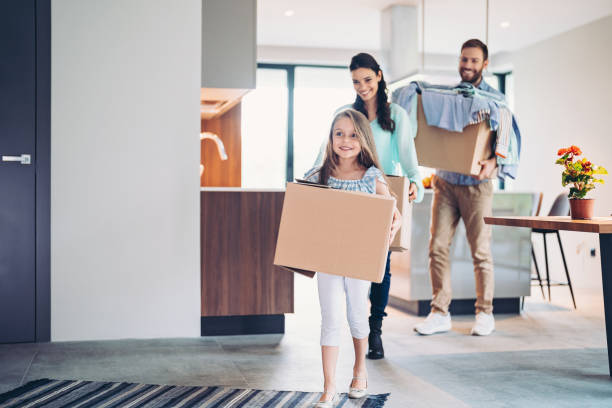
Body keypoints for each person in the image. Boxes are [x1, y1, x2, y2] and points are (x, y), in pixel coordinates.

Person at [315, 53, 423, 360]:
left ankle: (374, 329)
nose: (362, 87)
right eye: (355, 81)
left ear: (379, 76)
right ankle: (353, 327)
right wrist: (309, 184)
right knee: (344, 268)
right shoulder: (345, 114)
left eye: (367, 79)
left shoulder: (398, 116)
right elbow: (325, 156)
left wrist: (415, 183)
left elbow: (409, 162)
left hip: (378, 192)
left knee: (380, 269)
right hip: (345, 196)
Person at [304, 109, 401, 407]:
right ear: (330, 138)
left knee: (357, 315)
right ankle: (329, 386)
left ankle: (360, 369)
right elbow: (300, 206)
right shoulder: (318, 175)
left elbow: (390, 211)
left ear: (364, 140)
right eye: (339, 134)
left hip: (358, 258)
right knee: (330, 318)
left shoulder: (371, 177)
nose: (345, 140)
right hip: (328, 259)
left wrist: (394, 218)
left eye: (353, 135)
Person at [414, 39, 505, 337]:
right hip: (445, 183)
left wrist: (494, 163)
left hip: (477, 187)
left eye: (474, 61)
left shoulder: (497, 100)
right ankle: (440, 313)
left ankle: (485, 313)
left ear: (485, 64)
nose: (467, 65)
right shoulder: (449, 97)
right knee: (437, 247)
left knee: (480, 251)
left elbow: (506, 145)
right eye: (464, 59)